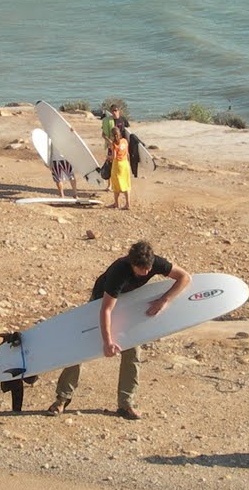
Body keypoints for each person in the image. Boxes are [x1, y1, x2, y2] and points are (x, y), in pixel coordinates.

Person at [49, 241, 190, 420]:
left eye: (148, 269)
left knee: (133, 351)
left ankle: (126, 404)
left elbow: (185, 277)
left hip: (128, 305)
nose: (146, 273)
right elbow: (106, 309)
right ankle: (62, 398)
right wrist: (108, 341)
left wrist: (164, 300)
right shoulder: (119, 272)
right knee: (81, 347)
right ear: (132, 264)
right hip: (99, 303)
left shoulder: (154, 263)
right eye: (141, 269)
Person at [107, 124, 131, 209]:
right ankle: (128, 204)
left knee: (116, 185)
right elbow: (127, 153)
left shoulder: (114, 144)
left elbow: (114, 157)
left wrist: (108, 157)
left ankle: (116, 204)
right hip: (125, 163)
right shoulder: (124, 141)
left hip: (118, 165)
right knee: (126, 184)